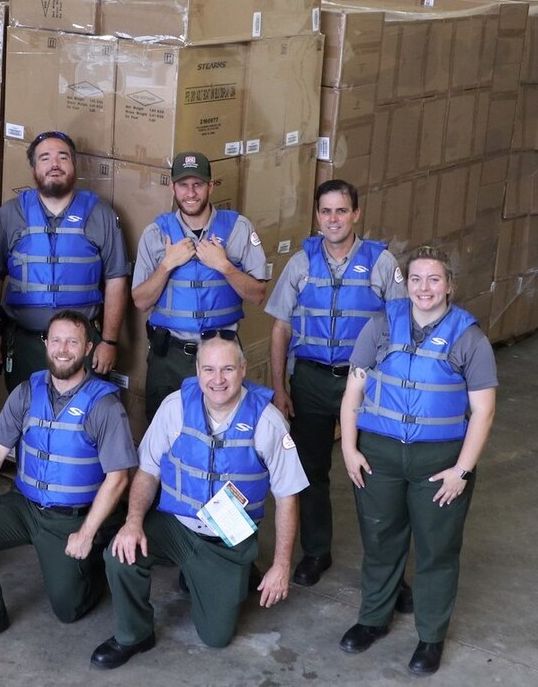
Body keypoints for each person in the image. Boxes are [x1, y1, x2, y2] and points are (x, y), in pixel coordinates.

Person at [90, 333, 308, 669]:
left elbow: (287, 497)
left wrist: (281, 566)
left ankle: (236, 569)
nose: (217, 379)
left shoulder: (268, 423)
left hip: (225, 539)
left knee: (216, 637)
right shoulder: (174, 406)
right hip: (176, 524)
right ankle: (134, 634)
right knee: (120, 555)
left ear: (243, 369)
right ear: (197, 369)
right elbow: (147, 471)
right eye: (208, 369)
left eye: (227, 369)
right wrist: (132, 523)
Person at [338, 246, 497, 676]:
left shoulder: (469, 338)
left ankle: (430, 636)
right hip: (380, 456)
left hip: (439, 461)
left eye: (434, 279)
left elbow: (483, 410)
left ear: (449, 285)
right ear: (404, 282)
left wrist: (462, 470)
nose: (424, 288)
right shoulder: (380, 326)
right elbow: (354, 392)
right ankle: (373, 618)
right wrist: (350, 448)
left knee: (436, 550)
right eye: (415, 279)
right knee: (380, 540)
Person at [0, 310, 138, 652]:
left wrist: (86, 534)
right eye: (57, 340)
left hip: (71, 517)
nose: (63, 349)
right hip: (23, 505)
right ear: (46, 344)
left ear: (88, 349)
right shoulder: (25, 392)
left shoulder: (104, 404)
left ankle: (96, 553)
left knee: (68, 611)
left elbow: (118, 478)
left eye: (73, 342)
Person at [266, 180, 406, 588]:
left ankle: (387, 571)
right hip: (309, 379)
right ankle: (315, 551)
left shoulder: (381, 263)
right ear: (317, 215)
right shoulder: (301, 263)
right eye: (325, 212)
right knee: (309, 470)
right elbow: (280, 329)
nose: (333, 219)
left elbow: (398, 333)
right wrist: (280, 387)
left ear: (356, 214)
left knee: (376, 475)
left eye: (341, 211)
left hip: (363, 383)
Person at [0, 131, 129, 394]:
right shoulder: (10, 215)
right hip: (25, 343)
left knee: (85, 421)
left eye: (63, 157)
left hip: (84, 345)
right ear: (34, 169)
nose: (54, 165)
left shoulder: (101, 214)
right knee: (28, 420)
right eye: (45, 158)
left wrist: (109, 341)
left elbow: (116, 279)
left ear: (74, 166)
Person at [131, 151, 267, 420]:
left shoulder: (238, 228)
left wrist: (225, 266)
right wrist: (167, 265)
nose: (190, 192)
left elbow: (258, 294)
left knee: (220, 436)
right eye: (183, 185)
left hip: (221, 356)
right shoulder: (156, 233)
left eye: (198, 184)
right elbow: (140, 301)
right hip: (168, 356)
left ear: (211, 186)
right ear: (172, 188)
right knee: (164, 438)